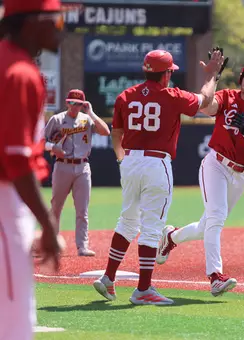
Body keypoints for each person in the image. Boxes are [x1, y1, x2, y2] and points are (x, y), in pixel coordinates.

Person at [92, 48, 225, 305]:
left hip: (130, 161)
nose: (170, 76)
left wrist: (122, 159)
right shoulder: (171, 96)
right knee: (152, 226)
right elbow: (206, 100)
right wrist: (213, 76)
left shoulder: (125, 96)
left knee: (128, 221)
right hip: (156, 163)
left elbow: (116, 133)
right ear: (164, 75)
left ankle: (108, 277)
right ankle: (143, 290)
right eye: (169, 72)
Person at [155, 58, 244, 297]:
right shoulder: (228, 97)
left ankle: (171, 236)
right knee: (217, 217)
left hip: (241, 173)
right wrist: (211, 76)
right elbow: (205, 106)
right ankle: (215, 276)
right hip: (216, 164)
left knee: (206, 226)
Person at [0, 0, 65, 338]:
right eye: (56, 20)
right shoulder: (20, 72)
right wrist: (48, 223)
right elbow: (16, 162)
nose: (61, 27)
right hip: (4, 203)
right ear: (33, 23)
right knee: (13, 325)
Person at [43, 89, 110, 256]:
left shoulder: (86, 120)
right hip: (62, 165)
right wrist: (52, 147)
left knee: (82, 210)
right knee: (56, 206)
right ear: (67, 103)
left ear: (82, 105)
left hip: (82, 167)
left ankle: (82, 246)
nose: (74, 106)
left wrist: (92, 113)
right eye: (72, 102)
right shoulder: (57, 119)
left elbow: (105, 131)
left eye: (78, 103)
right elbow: (41, 141)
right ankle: (52, 243)